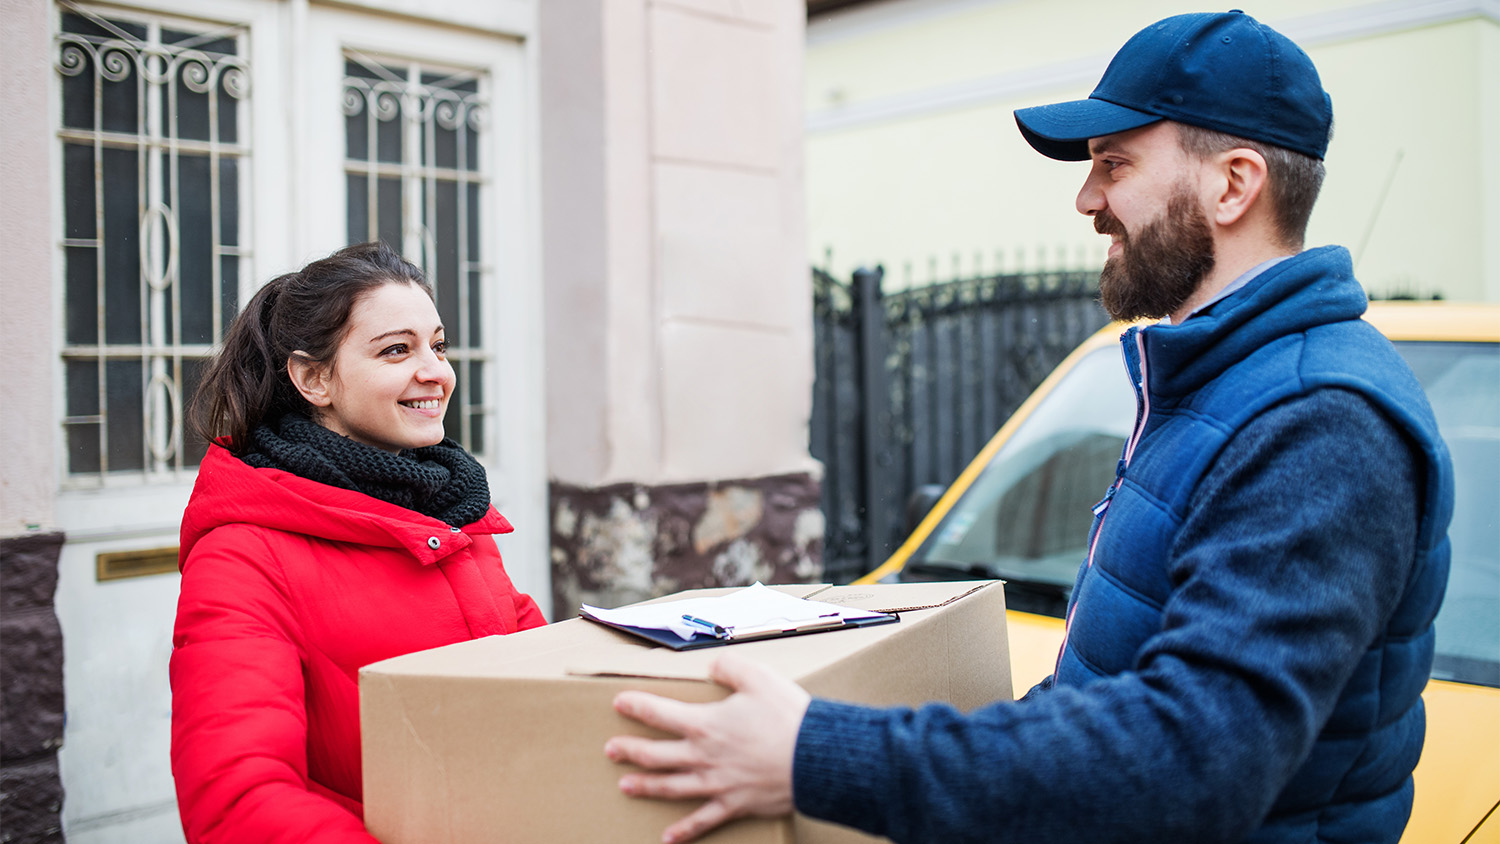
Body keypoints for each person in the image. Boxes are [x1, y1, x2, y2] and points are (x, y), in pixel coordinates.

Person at [604, 11, 1454, 844]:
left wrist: (813, 753)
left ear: (1234, 183)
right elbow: (1108, 689)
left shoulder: (1318, 423)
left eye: (1114, 164)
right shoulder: (1219, 388)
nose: (1088, 199)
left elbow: (1189, 762)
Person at [171, 242, 546, 842]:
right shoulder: (244, 554)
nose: (436, 372)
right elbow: (236, 803)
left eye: (438, 345)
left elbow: (542, 686)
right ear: (314, 378)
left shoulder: (452, 511)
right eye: (397, 350)